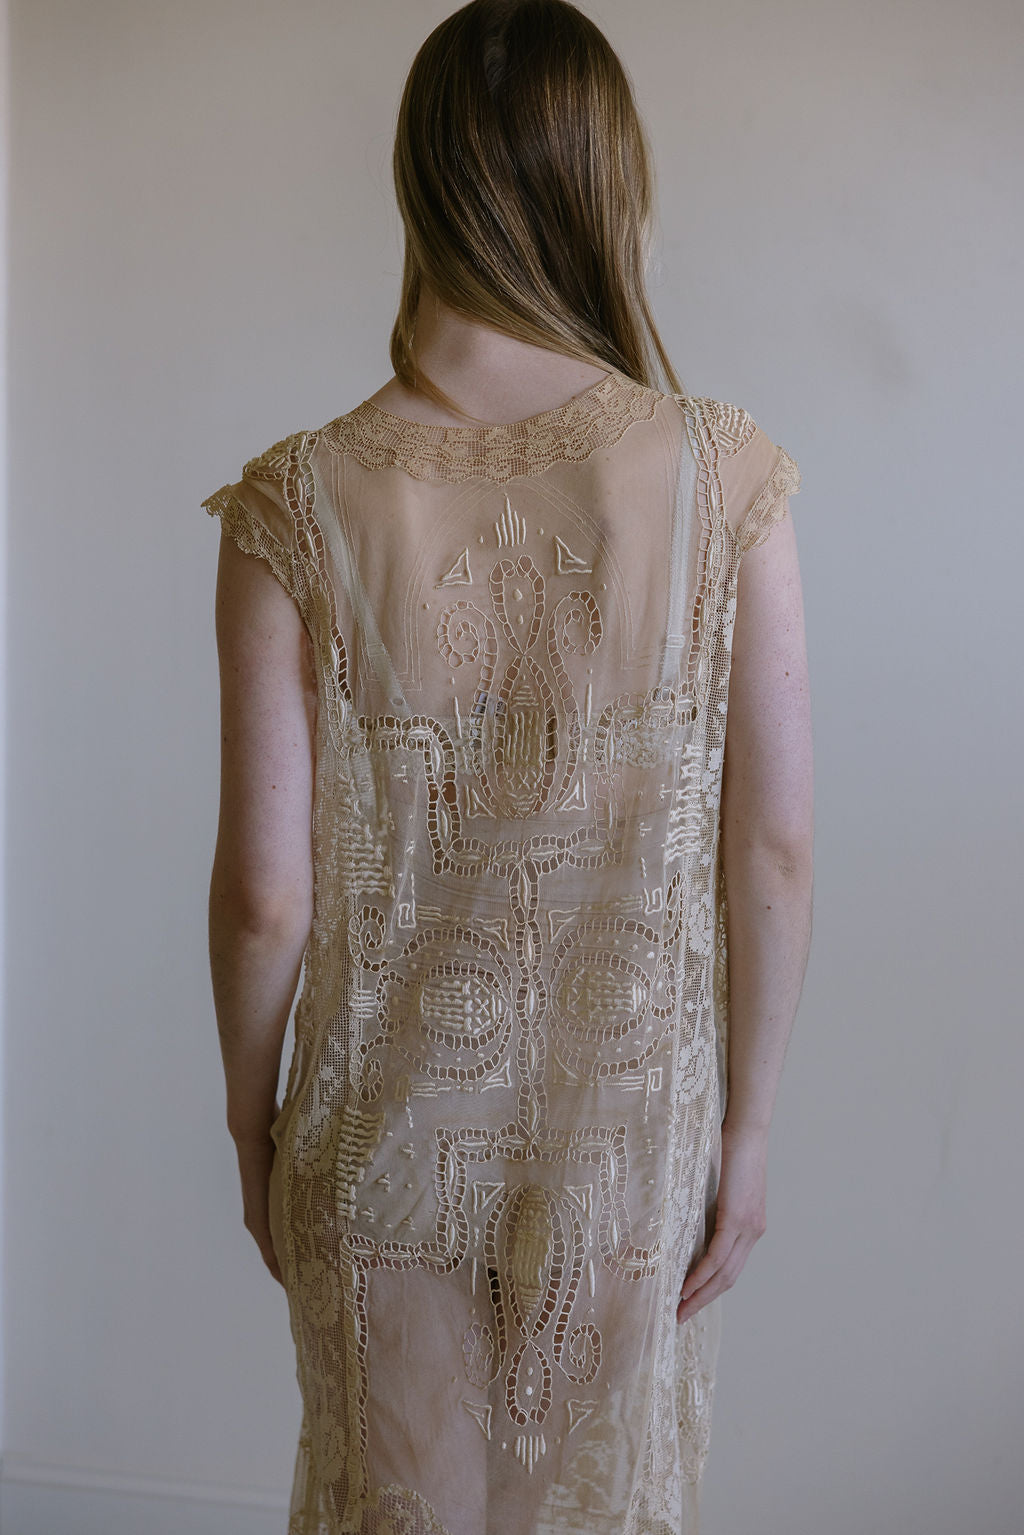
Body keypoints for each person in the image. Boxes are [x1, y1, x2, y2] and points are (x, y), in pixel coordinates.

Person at [201, 1, 814, 1531]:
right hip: (629, 1155)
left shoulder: (298, 502)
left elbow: (267, 897)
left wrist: (250, 1122)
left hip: (378, 1146)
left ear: (418, 185)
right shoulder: (721, 474)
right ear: (609, 186)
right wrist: (746, 1133)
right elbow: (775, 848)